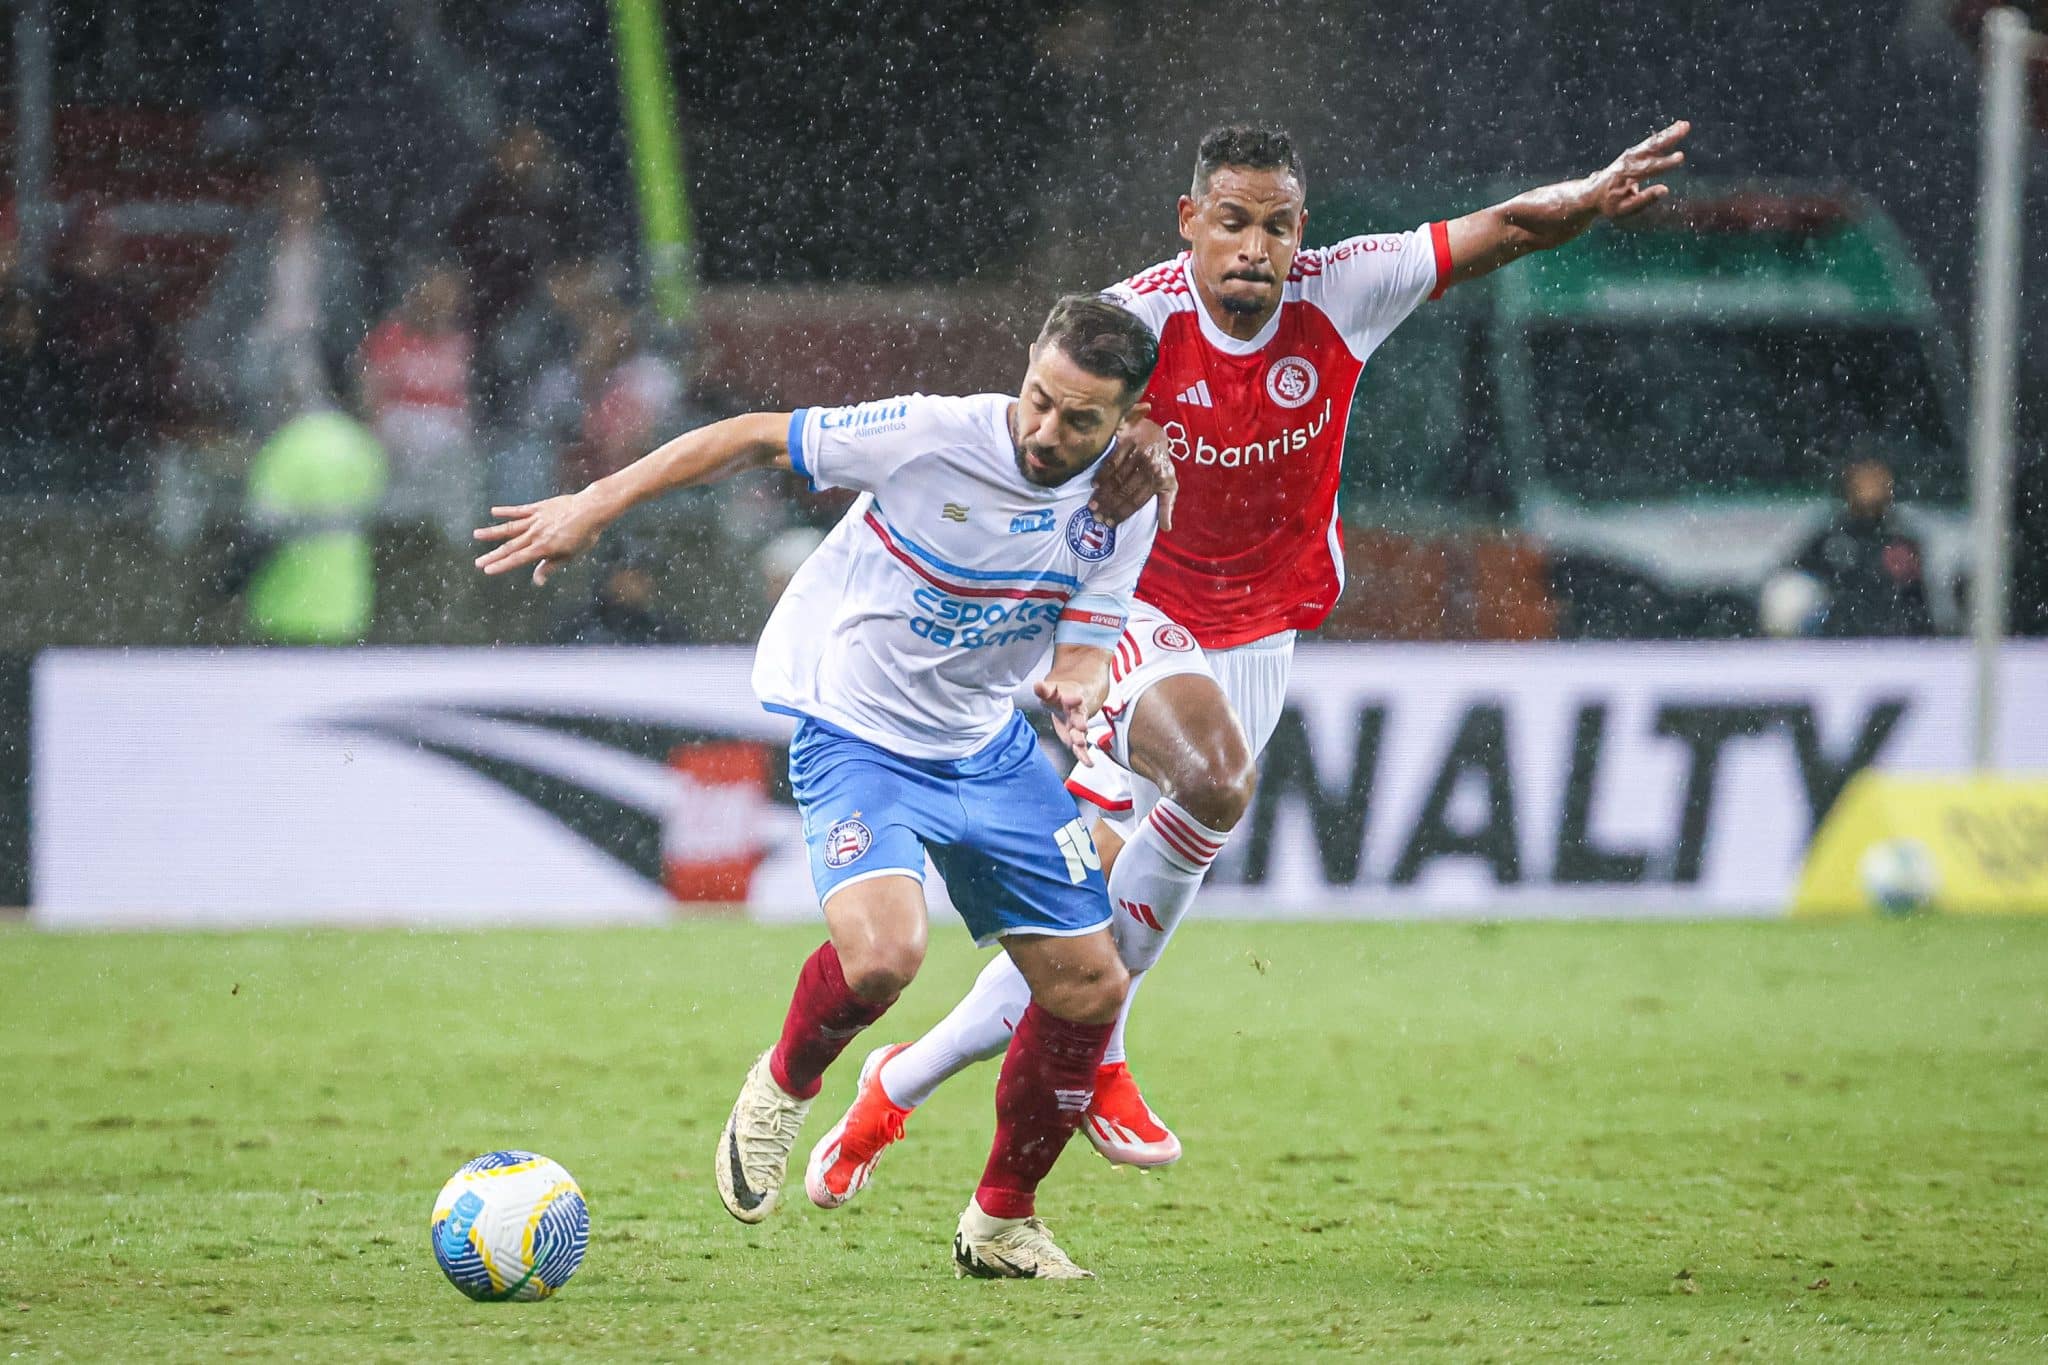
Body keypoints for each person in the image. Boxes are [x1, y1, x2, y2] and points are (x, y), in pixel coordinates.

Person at [811, 120, 1695, 1201]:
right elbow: (1042, 434)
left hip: (1262, 630)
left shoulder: (1347, 290)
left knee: (1126, 894)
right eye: (1230, 221)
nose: (1253, 247)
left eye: (1275, 225)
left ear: (1299, 233)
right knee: (1147, 821)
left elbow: (1504, 227)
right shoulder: (1133, 321)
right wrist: (1107, 460)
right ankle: (1085, 1074)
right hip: (1135, 612)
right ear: (1190, 223)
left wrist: (1591, 196)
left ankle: (907, 1080)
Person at [474, 295, 1168, 1279]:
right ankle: (782, 1084)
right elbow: (755, 439)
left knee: (1091, 985)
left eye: (1079, 420)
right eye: (1038, 401)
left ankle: (1001, 1221)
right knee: (885, 959)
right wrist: (597, 502)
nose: (1046, 432)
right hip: (856, 729)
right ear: (1024, 368)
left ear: (1123, 419)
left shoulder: (1122, 502)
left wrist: (1078, 682)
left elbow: (1092, 639)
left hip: (980, 744)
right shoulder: (933, 436)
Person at [181, 155, 368, 434]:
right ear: (280, 193)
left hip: (311, 342)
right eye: (294, 187)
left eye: (308, 188)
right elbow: (227, 300)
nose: (301, 197)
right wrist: (201, 351)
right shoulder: (257, 246)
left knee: (304, 382)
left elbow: (348, 316)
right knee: (254, 380)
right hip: (261, 338)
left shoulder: (336, 250)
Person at [355, 258, 480, 541]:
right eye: (435, 290)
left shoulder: (460, 343)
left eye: (449, 293)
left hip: (445, 449)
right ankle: (391, 527)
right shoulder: (390, 337)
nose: (441, 300)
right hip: (397, 434)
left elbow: (467, 406)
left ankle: (454, 541)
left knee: (456, 452)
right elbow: (369, 396)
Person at [1775, 456, 1935, 638]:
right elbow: (1794, 585)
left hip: (1896, 642)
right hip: (1839, 642)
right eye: (1864, 480)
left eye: (1878, 480)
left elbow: (1919, 601)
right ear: (1850, 486)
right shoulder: (1830, 536)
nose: (1871, 487)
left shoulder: (1903, 538)